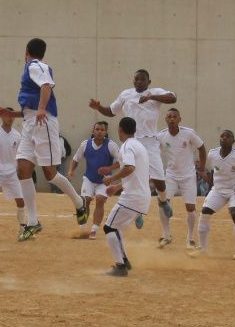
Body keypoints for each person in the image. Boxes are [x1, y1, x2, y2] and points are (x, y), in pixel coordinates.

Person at [0, 38, 88, 242]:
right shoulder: (31, 67)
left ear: (26, 50)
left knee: (49, 173)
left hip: (43, 122)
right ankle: (33, 221)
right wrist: (12, 114)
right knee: (23, 169)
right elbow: (31, 107)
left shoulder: (36, 65)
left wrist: (42, 109)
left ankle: (79, 202)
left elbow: (46, 86)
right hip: (31, 121)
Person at [89, 69, 177, 223]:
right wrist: (99, 107)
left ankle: (163, 201)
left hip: (150, 141)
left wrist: (151, 96)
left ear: (149, 82)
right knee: (131, 177)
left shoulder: (155, 92)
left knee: (159, 181)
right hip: (132, 141)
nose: (139, 82)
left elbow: (173, 98)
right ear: (133, 81)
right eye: (136, 79)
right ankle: (137, 212)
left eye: (142, 79)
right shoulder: (126, 94)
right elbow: (111, 111)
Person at [191, 130, 235, 260]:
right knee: (204, 213)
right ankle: (202, 248)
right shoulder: (212, 154)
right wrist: (210, 189)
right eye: (222, 136)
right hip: (218, 190)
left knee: (234, 213)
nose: (224, 138)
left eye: (228, 136)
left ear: (233, 141)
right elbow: (214, 171)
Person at [100, 117, 150, 277]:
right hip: (141, 197)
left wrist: (111, 179)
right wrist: (118, 187)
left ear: (120, 130)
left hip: (132, 198)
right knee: (115, 228)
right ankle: (124, 261)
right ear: (134, 130)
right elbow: (138, 174)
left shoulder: (127, 146)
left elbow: (129, 168)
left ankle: (120, 266)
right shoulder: (139, 146)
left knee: (109, 228)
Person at [155, 108, 207, 249]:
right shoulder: (161, 136)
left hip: (188, 176)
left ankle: (190, 238)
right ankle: (166, 235)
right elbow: (154, 154)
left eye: (174, 116)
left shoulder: (188, 133)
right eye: (169, 116)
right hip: (170, 175)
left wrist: (201, 169)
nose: (172, 119)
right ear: (166, 119)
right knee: (162, 203)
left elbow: (202, 149)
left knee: (190, 208)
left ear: (179, 119)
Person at [68, 121, 120, 240]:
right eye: (97, 129)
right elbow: (76, 159)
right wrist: (71, 171)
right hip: (89, 179)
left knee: (100, 200)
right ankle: (83, 227)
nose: (99, 132)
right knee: (85, 201)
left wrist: (109, 168)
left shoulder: (111, 145)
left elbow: (120, 162)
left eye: (102, 130)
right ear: (93, 131)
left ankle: (94, 230)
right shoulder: (85, 144)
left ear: (106, 132)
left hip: (104, 181)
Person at [0, 107, 29, 233]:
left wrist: (19, 170)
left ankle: (23, 229)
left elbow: (19, 155)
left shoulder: (17, 135)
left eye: (12, 115)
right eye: (7, 115)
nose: (10, 118)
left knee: (21, 200)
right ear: (1, 117)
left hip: (12, 173)